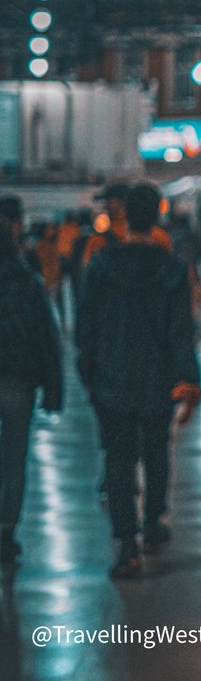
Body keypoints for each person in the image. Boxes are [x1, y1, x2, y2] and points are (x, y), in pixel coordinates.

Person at [76, 183, 201, 578]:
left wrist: (89, 374)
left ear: (124, 217)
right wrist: (188, 380)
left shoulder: (100, 265)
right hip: (158, 379)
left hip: (111, 377)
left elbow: (86, 328)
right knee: (156, 450)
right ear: (158, 216)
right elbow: (182, 331)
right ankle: (152, 524)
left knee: (118, 460)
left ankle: (126, 544)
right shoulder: (173, 269)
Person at [0, 215, 63, 564]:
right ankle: (7, 529)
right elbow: (46, 340)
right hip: (18, 382)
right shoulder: (29, 281)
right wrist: (54, 392)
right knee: (14, 456)